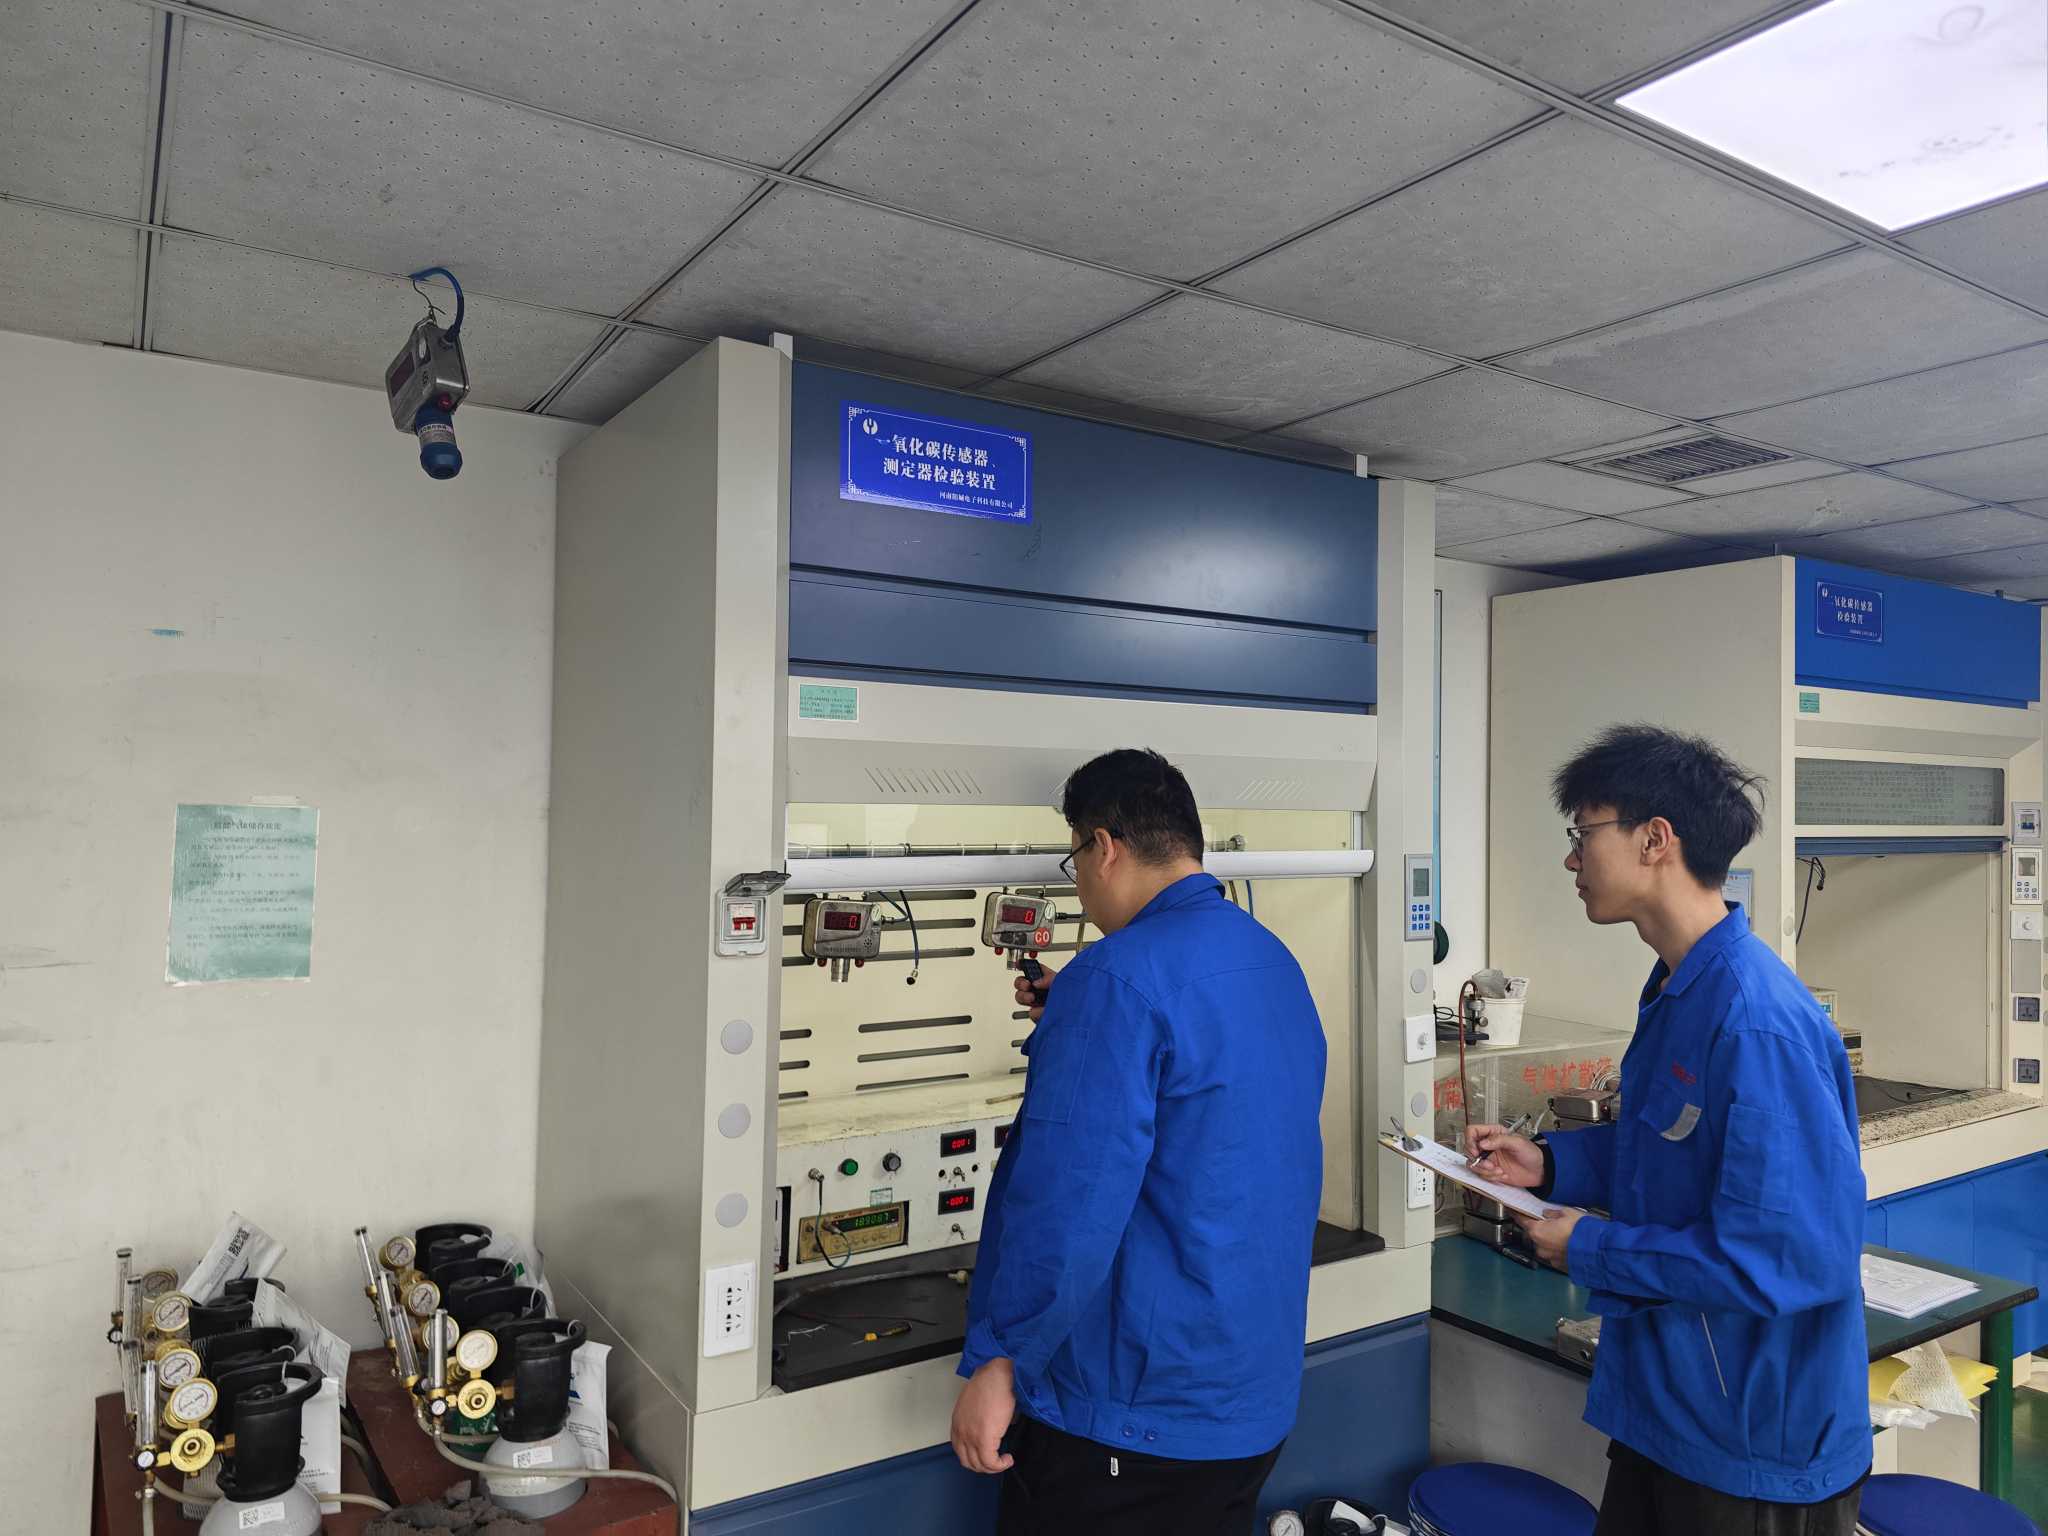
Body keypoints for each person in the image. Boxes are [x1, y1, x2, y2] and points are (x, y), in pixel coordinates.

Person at [1466, 724, 1868, 1536]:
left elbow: (1786, 1259)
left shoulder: (1755, 1021)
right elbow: (1669, 1150)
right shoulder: (1680, 989)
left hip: (1752, 1445)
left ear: (1655, 840)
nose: (1572, 859)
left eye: (1583, 833)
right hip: (1670, 1413)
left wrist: (1589, 1248)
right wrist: (1548, 1164)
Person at [949, 748, 1326, 1535]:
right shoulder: (1270, 958)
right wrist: (1080, 1017)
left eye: (1074, 861)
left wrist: (1001, 1359)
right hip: (1247, 1398)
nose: (1079, 886)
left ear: (1104, 846)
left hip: (1131, 1414)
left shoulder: (1115, 979)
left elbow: (1068, 1206)